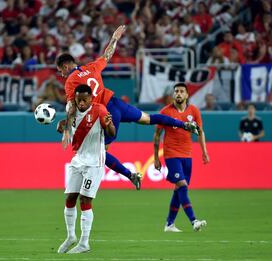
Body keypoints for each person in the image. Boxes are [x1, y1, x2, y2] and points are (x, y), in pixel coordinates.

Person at [56, 25, 200, 190]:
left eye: (61, 71)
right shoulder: (92, 67)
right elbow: (107, 55)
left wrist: (67, 127)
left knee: (100, 152)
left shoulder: (71, 81)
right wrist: (114, 38)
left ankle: (131, 175)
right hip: (116, 104)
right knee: (148, 119)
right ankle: (185, 125)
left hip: (105, 113)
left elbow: (71, 106)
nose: (61, 74)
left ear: (66, 66)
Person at [57, 84, 116, 254]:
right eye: (78, 99)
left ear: (91, 98)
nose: (81, 102)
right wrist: (62, 127)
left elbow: (111, 133)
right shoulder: (72, 111)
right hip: (78, 160)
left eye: (85, 99)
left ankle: (84, 242)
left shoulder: (100, 110)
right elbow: (67, 130)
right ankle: (70, 236)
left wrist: (109, 124)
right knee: (69, 198)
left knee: (85, 200)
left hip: (94, 162)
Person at [154, 82, 209, 232]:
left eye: (181, 91)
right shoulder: (165, 112)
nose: (178, 93)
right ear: (173, 94)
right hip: (171, 154)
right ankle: (193, 221)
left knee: (179, 189)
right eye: (176, 91)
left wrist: (204, 151)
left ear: (187, 95)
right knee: (182, 186)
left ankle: (169, 224)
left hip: (187, 155)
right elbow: (157, 135)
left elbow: (200, 132)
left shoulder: (194, 111)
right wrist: (156, 157)